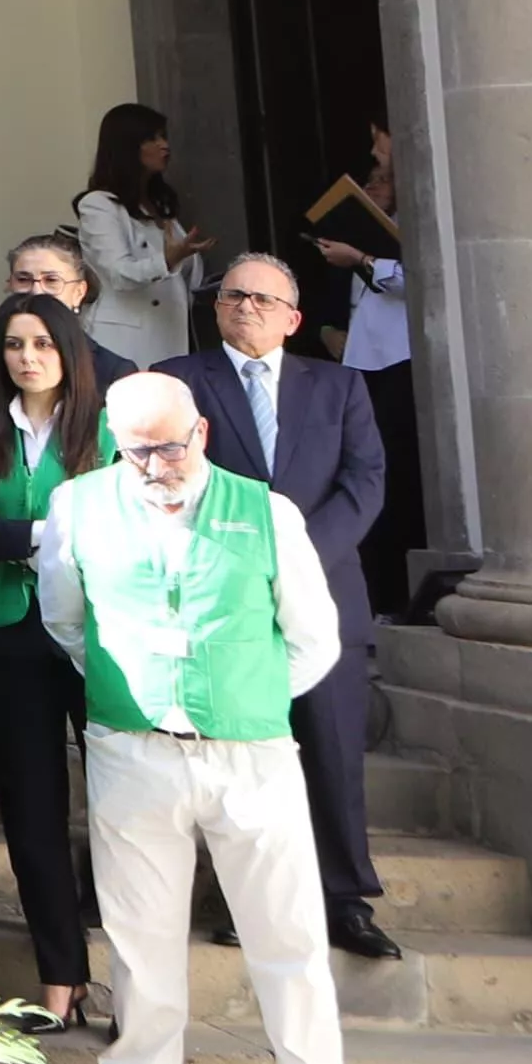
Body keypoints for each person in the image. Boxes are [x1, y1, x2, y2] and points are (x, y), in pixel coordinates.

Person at [39, 372, 390, 1064]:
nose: (155, 466)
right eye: (136, 451)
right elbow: (66, 619)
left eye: (170, 447)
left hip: (250, 751)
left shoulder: (268, 512)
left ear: (200, 431)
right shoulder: (77, 506)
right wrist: (136, 695)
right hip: (133, 748)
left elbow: (313, 639)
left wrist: (243, 697)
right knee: (141, 940)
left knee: (288, 940)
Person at [178, 254, 399, 959]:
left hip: (325, 594)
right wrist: (245, 560)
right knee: (241, 764)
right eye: (234, 295)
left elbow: (365, 482)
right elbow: (167, 477)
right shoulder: (180, 381)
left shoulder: (339, 385)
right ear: (217, 307)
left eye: (264, 299)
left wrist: (294, 555)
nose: (247, 306)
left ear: (294, 318)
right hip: (225, 602)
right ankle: (248, 899)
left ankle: (344, 899)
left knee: (333, 753)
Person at [0, 292, 111, 1027]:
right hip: (12, 637)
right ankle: (59, 981)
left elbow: (114, 525)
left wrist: (19, 531)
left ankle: (131, 984)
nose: (27, 357)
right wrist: (50, 532)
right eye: (14, 344)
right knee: (31, 813)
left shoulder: (109, 431)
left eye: (43, 343)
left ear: (68, 349)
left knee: (123, 808)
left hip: (101, 635)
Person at [302, 119, 422, 621]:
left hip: (400, 361)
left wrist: (363, 259)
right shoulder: (361, 233)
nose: (373, 177)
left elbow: (420, 278)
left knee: (399, 475)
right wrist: (328, 328)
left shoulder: (413, 223)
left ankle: (400, 594)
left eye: (381, 175)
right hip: (359, 364)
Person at [72, 102, 205, 360]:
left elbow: (182, 278)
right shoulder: (99, 205)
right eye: (152, 139)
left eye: (164, 136)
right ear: (127, 147)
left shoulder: (159, 205)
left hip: (171, 334)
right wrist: (167, 261)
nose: (164, 146)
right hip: (126, 344)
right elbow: (118, 273)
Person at [1, 229, 145, 376]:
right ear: (9, 285)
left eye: (51, 280)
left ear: (79, 292)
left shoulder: (112, 371)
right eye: (23, 280)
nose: (36, 292)